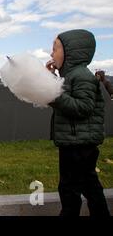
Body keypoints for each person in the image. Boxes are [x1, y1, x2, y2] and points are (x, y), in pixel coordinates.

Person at [46, 29, 110, 216]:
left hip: (79, 143)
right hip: (76, 141)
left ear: (70, 52)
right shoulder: (72, 76)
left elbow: (83, 107)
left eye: (55, 48)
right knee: (88, 185)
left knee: (70, 188)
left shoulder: (81, 76)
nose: (51, 53)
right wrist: (50, 81)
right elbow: (66, 100)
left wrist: (54, 93)